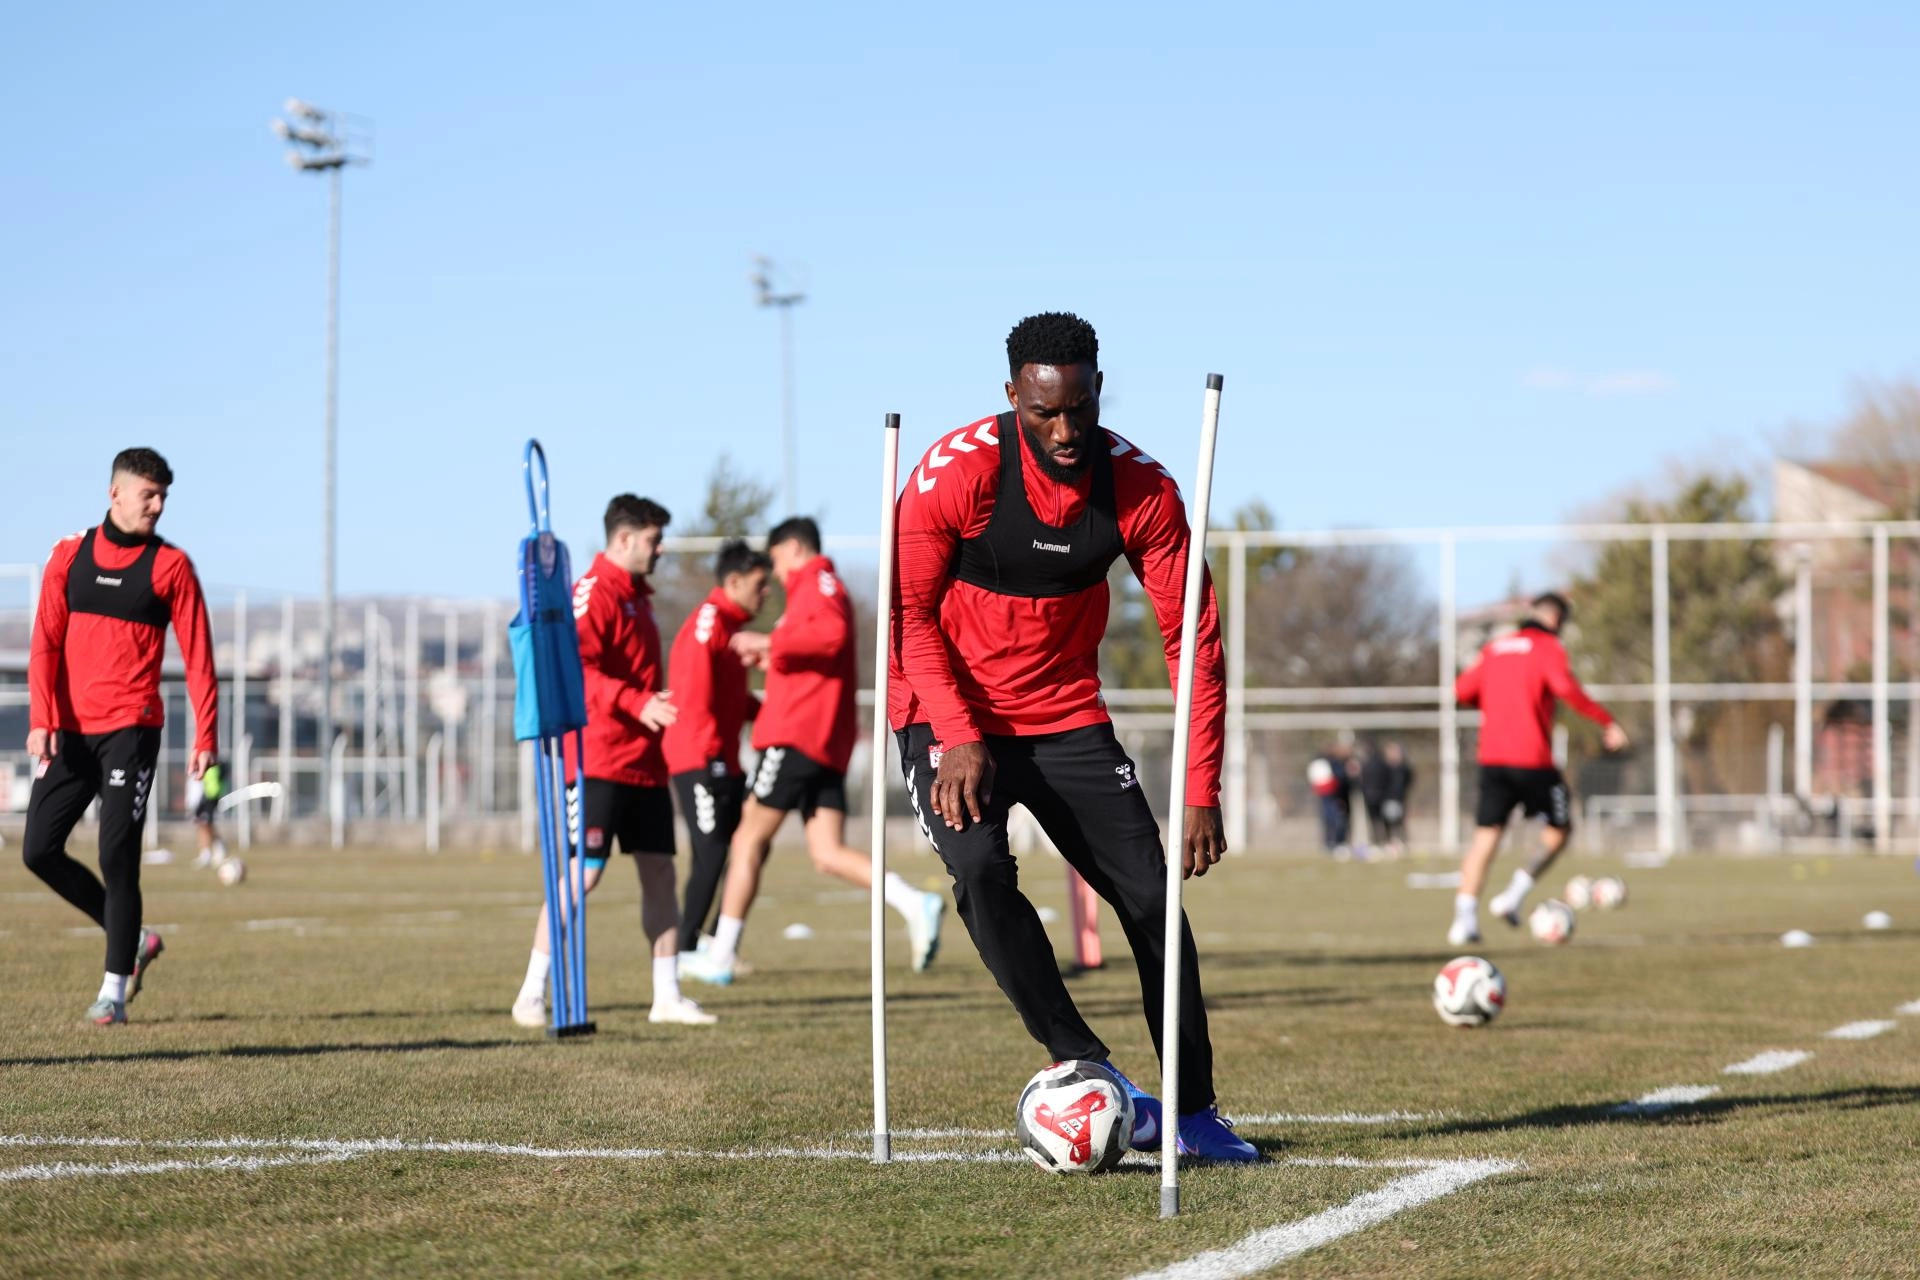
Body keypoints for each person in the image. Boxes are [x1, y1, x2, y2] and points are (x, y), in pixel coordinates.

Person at [889, 311, 1258, 1162]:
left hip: (1065, 715)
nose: (1064, 431)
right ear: (1011, 395)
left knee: (1153, 899)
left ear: (1098, 391)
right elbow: (908, 617)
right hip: (948, 711)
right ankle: (1086, 1062)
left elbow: (1193, 641)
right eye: (1044, 412)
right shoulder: (955, 474)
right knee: (980, 871)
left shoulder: (1143, 489)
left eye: (1080, 409)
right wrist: (958, 733)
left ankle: (1195, 1112)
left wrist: (1199, 787)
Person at [686, 517, 946, 985]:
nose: (775, 575)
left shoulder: (817, 581)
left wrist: (771, 641)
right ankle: (914, 902)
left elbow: (830, 635)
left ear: (793, 548)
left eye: (776, 561)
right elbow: (816, 651)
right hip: (822, 739)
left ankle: (720, 956)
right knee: (827, 852)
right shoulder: (815, 588)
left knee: (746, 839)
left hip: (796, 735)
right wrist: (774, 655)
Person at [24, 447, 216, 1025]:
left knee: (116, 852)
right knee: (38, 850)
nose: (157, 506)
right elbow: (45, 641)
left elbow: (199, 656)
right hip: (70, 732)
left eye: (163, 498)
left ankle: (113, 991)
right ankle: (131, 937)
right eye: (148, 495)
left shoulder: (171, 567)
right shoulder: (69, 555)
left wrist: (206, 735)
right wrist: (41, 718)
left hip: (131, 731)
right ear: (116, 493)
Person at [510, 495, 715, 1028]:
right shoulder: (595, 592)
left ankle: (666, 995)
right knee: (584, 875)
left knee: (660, 873)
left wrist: (652, 704)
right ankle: (532, 992)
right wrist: (636, 701)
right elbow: (579, 671)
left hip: (644, 762)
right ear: (624, 539)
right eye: (653, 540)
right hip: (596, 759)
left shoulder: (639, 597)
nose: (661, 549)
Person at [1449, 591, 1628, 945]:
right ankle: (1512, 896)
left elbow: (1462, 690)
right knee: (1560, 830)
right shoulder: (1547, 648)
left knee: (1486, 837)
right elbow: (1566, 688)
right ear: (1557, 619)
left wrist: (1498, 703)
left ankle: (1463, 921)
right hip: (1532, 760)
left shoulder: (1495, 648)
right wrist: (1606, 721)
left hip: (1492, 759)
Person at [663, 539, 771, 961]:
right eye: (760, 585)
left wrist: (773, 711)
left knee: (750, 842)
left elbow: (730, 700)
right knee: (711, 852)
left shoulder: (730, 627)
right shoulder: (710, 622)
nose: (765, 594)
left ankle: (712, 940)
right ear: (734, 581)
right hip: (699, 759)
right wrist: (712, 759)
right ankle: (684, 949)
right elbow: (694, 696)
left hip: (722, 759)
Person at [1359, 740, 1413, 858]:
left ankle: (1399, 843)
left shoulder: (1403, 767)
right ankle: (1387, 843)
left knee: (1397, 822)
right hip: (1386, 799)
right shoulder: (1384, 766)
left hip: (1397, 799)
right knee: (1387, 822)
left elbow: (1408, 780)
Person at [188, 759, 228, 869]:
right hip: (204, 796)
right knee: (202, 823)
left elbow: (217, 779)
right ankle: (211, 850)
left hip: (211, 796)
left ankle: (211, 851)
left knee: (206, 824)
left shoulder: (214, 762)